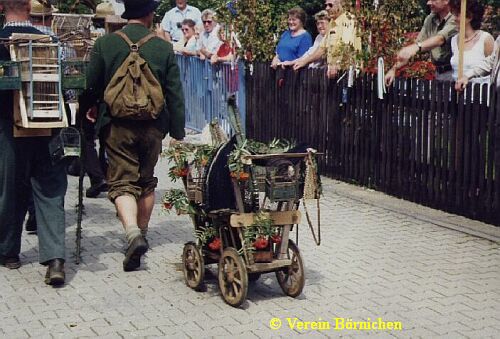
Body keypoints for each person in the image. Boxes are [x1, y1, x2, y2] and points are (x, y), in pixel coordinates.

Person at [85, 0, 185, 272]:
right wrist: (177, 130)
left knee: (121, 183)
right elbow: (174, 92)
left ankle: (131, 234)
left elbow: (91, 85)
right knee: (146, 181)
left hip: (117, 125)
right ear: (150, 14)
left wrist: (86, 115)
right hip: (153, 126)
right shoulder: (163, 47)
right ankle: (143, 232)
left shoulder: (106, 44)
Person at [0, 0, 67, 285]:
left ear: (2, 7)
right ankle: (55, 259)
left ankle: (9, 252)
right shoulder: (49, 39)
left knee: (9, 190)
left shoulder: (2, 42)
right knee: (50, 190)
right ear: (29, 7)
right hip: (48, 124)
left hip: (8, 128)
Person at [385, 0, 458, 85]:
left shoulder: (456, 18)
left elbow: (440, 39)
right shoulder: (430, 19)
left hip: (455, 73)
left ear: (446, 1)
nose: (428, 3)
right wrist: (393, 69)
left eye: (433, 0)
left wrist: (416, 47)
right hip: (439, 73)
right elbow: (417, 47)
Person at [293, 0, 361, 78]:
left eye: (330, 5)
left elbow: (347, 46)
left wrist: (336, 64)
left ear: (340, 4)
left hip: (347, 73)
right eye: (326, 5)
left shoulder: (348, 20)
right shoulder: (332, 23)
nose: (327, 8)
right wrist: (304, 61)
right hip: (334, 73)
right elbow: (322, 48)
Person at [449, 0, 494, 84]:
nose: (454, 19)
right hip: (458, 94)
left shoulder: (485, 39)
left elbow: (492, 67)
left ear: (469, 17)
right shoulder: (454, 40)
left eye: (457, 15)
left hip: (480, 94)